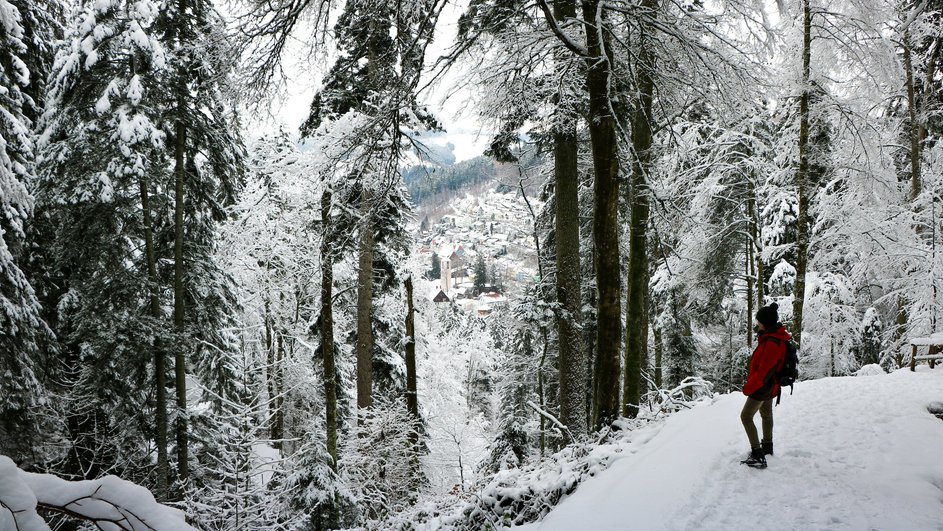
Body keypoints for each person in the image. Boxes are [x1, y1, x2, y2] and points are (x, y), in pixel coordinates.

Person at [740, 302, 790, 469]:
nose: (757, 323)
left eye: (758, 321)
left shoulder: (771, 343)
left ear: (765, 322)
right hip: (771, 386)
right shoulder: (773, 337)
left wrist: (749, 388)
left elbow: (763, 372)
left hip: (763, 387)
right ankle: (767, 448)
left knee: (746, 416)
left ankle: (757, 454)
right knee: (766, 415)